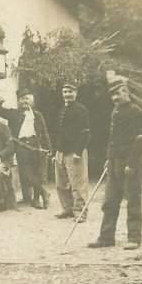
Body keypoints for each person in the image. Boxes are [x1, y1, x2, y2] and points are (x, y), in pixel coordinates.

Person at [88, 79, 142, 250]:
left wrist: (132, 163)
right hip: (114, 164)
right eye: (113, 95)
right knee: (110, 202)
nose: (115, 97)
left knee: (133, 202)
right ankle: (106, 237)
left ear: (126, 93)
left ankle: (134, 238)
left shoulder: (136, 112)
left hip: (129, 165)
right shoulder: (115, 111)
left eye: (118, 93)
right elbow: (112, 140)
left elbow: (141, 140)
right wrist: (108, 159)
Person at [0, 88, 52, 209]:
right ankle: (44, 192)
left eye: (26, 98)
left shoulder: (37, 115)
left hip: (36, 145)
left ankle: (36, 199)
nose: (25, 101)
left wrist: (48, 147)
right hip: (21, 145)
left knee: (37, 172)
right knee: (26, 173)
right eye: (22, 99)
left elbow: (44, 131)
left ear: (30, 100)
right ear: (18, 101)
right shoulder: (14, 114)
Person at [52, 83, 90, 222]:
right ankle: (67, 209)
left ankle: (80, 212)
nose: (67, 94)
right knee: (61, 184)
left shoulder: (81, 110)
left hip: (74, 152)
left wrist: (78, 152)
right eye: (65, 91)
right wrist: (56, 152)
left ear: (76, 93)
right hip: (61, 152)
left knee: (78, 184)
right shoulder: (62, 109)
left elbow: (85, 133)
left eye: (70, 91)